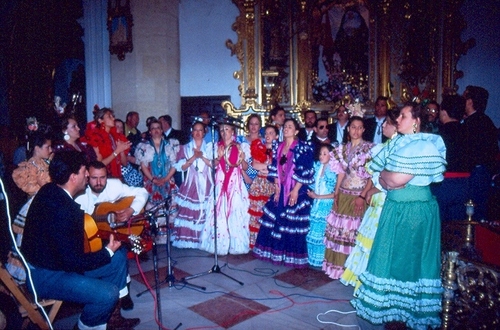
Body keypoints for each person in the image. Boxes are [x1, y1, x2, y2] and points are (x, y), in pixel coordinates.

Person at [351, 103, 446, 329]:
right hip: (396, 208)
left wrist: (387, 177)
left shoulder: (424, 145)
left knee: (409, 262)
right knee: (389, 258)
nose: (398, 120)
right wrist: (387, 177)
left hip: (414, 211)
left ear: (416, 121)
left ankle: (408, 313)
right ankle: (391, 311)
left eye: (403, 116)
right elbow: (382, 179)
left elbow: (393, 181)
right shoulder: (399, 143)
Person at [21, 151, 140, 330]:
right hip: (45, 276)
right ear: (73, 176)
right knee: (108, 294)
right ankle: (84, 327)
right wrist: (107, 251)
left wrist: (108, 252)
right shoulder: (65, 210)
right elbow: (74, 263)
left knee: (117, 259)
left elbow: (67, 252)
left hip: (54, 265)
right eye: (84, 171)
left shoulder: (50, 190)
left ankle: (113, 319)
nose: (87, 175)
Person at [74, 160, 149, 311]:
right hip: (89, 238)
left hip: (112, 234)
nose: (99, 182)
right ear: (87, 176)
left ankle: (122, 297)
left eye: (103, 177)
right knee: (116, 255)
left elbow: (143, 191)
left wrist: (131, 210)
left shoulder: (114, 185)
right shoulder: (79, 195)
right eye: (94, 178)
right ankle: (118, 295)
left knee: (119, 253)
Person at [340, 108, 399, 290]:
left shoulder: (385, 148)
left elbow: (385, 176)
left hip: (383, 196)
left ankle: (375, 279)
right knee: (367, 238)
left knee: (376, 239)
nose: (383, 127)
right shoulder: (385, 147)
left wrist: (369, 191)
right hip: (375, 196)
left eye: (387, 123)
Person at [253, 118, 315, 268]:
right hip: (280, 189)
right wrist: (277, 187)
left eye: (289, 126)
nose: (286, 128)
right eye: (285, 126)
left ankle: (291, 257)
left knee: (292, 222)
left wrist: (295, 190)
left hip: (296, 190)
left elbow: (306, 170)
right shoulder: (278, 146)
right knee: (274, 219)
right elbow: (275, 167)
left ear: (296, 131)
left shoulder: (303, 147)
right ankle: (276, 254)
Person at [323, 115, 374, 279]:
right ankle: (338, 268)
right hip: (343, 194)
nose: (356, 131)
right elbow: (340, 173)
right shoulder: (342, 149)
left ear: (364, 130)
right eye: (353, 127)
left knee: (354, 232)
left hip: (358, 196)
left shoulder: (370, 149)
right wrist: (336, 192)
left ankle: (353, 271)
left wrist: (363, 195)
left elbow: (372, 175)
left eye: (360, 127)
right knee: (340, 231)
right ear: (348, 129)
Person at [200, 116, 251, 255]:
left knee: (235, 210)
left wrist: (241, 159)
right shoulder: (216, 146)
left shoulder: (241, 146)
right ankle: (220, 244)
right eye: (221, 130)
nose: (224, 132)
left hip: (235, 182)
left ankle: (236, 244)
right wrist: (219, 156)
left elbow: (245, 167)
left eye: (226, 129)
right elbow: (213, 165)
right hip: (221, 180)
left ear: (232, 131)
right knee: (219, 210)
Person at [7, 130, 53, 283]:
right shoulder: (29, 166)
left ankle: (43, 277)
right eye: (47, 147)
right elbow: (29, 186)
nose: (50, 150)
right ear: (37, 148)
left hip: (48, 204)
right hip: (35, 207)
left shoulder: (48, 163)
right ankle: (23, 276)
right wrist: (43, 187)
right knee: (27, 241)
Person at [172, 120, 214, 249]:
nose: (197, 133)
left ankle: (203, 239)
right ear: (192, 132)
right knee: (189, 211)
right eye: (195, 130)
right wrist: (193, 157)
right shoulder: (185, 148)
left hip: (206, 182)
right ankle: (189, 238)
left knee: (206, 210)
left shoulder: (210, 147)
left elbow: (214, 165)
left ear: (204, 132)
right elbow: (181, 167)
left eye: (200, 130)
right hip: (191, 183)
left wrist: (201, 156)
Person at [461, 85, 498, 220]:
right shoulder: (486, 120)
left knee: (472, 213)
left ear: (470, 101)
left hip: (476, 173)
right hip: (485, 172)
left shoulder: (471, 123)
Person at [431, 95, 469, 221]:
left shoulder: (439, 134)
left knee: (439, 226)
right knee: (458, 226)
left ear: (444, 112)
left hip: (443, 184)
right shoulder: (468, 131)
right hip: (465, 184)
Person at [135, 119, 180, 209]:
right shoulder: (144, 146)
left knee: (169, 210)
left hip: (168, 180)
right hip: (151, 181)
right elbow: (143, 166)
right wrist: (153, 180)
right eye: (153, 128)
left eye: (158, 128)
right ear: (150, 131)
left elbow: (175, 164)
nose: (156, 130)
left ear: (162, 130)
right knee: (153, 210)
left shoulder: (171, 144)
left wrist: (165, 179)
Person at [305, 143, 337, 267]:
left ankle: (322, 260)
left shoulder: (332, 171)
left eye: (325, 154)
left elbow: (334, 194)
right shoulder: (318, 167)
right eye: (320, 153)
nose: (321, 156)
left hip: (325, 205)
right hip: (317, 204)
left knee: (322, 234)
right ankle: (313, 258)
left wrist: (318, 196)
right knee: (313, 231)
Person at [247, 124, 278, 249]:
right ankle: (255, 243)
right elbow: (255, 165)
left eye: (271, 133)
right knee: (256, 214)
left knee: (270, 215)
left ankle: (267, 244)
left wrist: (266, 168)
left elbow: (280, 169)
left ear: (276, 136)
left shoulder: (280, 149)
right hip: (259, 184)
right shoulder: (259, 147)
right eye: (266, 133)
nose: (268, 135)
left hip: (273, 184)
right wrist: (270, 168)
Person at [83, 107, 131, 179]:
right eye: (109, 116)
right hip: (104, 178)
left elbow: (124, 163)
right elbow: (99, 165)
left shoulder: (114, 135)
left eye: (113, 116)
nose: (113, 119)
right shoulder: (95, 138)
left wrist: (121, 151)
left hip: (117, 176)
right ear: (100, 120)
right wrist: (117, 151)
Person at [238, 114, 262, 189]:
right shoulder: (241, 140)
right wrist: (243, 173)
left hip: (260, 175)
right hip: (244, 174)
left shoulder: (264, 141)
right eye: (251, 124)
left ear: (260, 126)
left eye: (256, 124)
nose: (253, 126)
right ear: (248, 125)